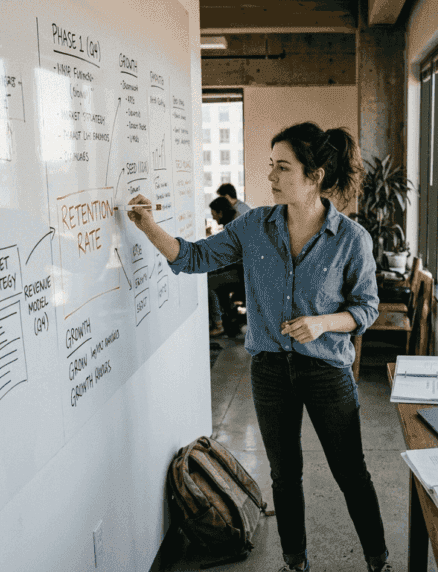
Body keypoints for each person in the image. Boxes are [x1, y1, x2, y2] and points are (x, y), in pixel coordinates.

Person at [127, 122, 390, 572]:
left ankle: (378, 562)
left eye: (282, 168)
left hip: (327, 372)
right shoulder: (254, 226)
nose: (270, 177)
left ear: (316, 176)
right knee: (285, 478)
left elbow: (366, 309)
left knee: (351, 474)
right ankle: (295, 563)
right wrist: (148, 225)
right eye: (271, 166)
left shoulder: (351, 239)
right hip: (269, 371)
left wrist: (323, 322)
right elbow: (193, 257)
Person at [207, 196, 241, 336]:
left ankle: (218, 324)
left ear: (220, 212)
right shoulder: (236, 220)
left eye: (214, 216)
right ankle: (230, 315)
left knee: (208, 282)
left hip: (242, 272)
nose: (214, 219)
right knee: (216, 279)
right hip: (242, 269)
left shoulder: (234, 225)